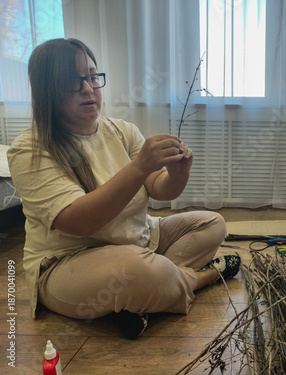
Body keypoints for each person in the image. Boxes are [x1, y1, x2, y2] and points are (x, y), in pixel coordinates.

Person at [7, 38, 241, 339]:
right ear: (47, 89)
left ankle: (148, 293)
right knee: (137, 270)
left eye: (92, 76)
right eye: (73, 81)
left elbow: (159, 189)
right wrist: (140, 166)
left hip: (138, 239)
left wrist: (177, 173)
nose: (89, 88)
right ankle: (204, 276)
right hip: (70, 261)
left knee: (213, 224)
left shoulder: (121, 130)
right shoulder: (30, 149)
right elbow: (80, 221)